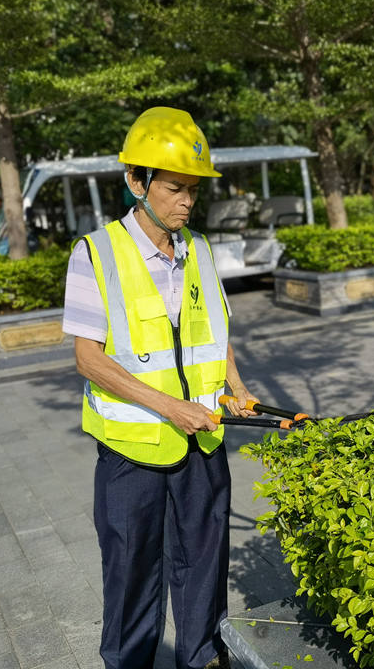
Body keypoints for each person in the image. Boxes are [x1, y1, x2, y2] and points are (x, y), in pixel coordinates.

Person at [62, 107, 257, 669]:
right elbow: (88, 358)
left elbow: (215, 332)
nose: (187, 201)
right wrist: (170, 406)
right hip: (131, 455)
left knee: (204, 571)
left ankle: (201, 660)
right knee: (131, 579)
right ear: (136, 181)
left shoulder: (198, 250)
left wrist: (237, 387)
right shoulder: (94, 254)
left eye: (193, 190)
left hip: (204, 445)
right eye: (175, 188)